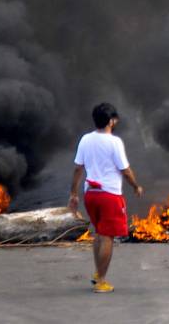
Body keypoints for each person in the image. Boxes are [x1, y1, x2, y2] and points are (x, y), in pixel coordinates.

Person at [68, 102, 143, 293]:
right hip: (109, 195)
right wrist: (136, 186)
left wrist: (74, 193)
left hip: (90, 194)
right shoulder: (114, 142)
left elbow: (78, 168)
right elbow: (125, 171)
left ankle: (97, 273)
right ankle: (101, 281)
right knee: (107, 237)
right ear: (110, 121)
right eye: (115, 119)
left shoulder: (85, 139)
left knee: (99, 233)